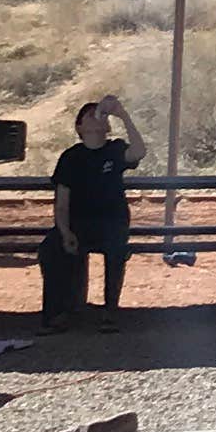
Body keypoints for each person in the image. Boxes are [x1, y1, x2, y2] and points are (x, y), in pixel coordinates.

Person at [42, 94, 145, 323]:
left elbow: (138, 152)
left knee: (116, 248)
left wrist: (123, 115)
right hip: (79, 223)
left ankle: (110, 311)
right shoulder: (70, 157)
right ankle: (56, 313)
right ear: (79, 127)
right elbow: (61, 204)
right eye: (88, 114)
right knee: (50, 249)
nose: (96, 116)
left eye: (99, 114)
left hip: (112, 222)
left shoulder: (115, 149)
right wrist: (65, 231)